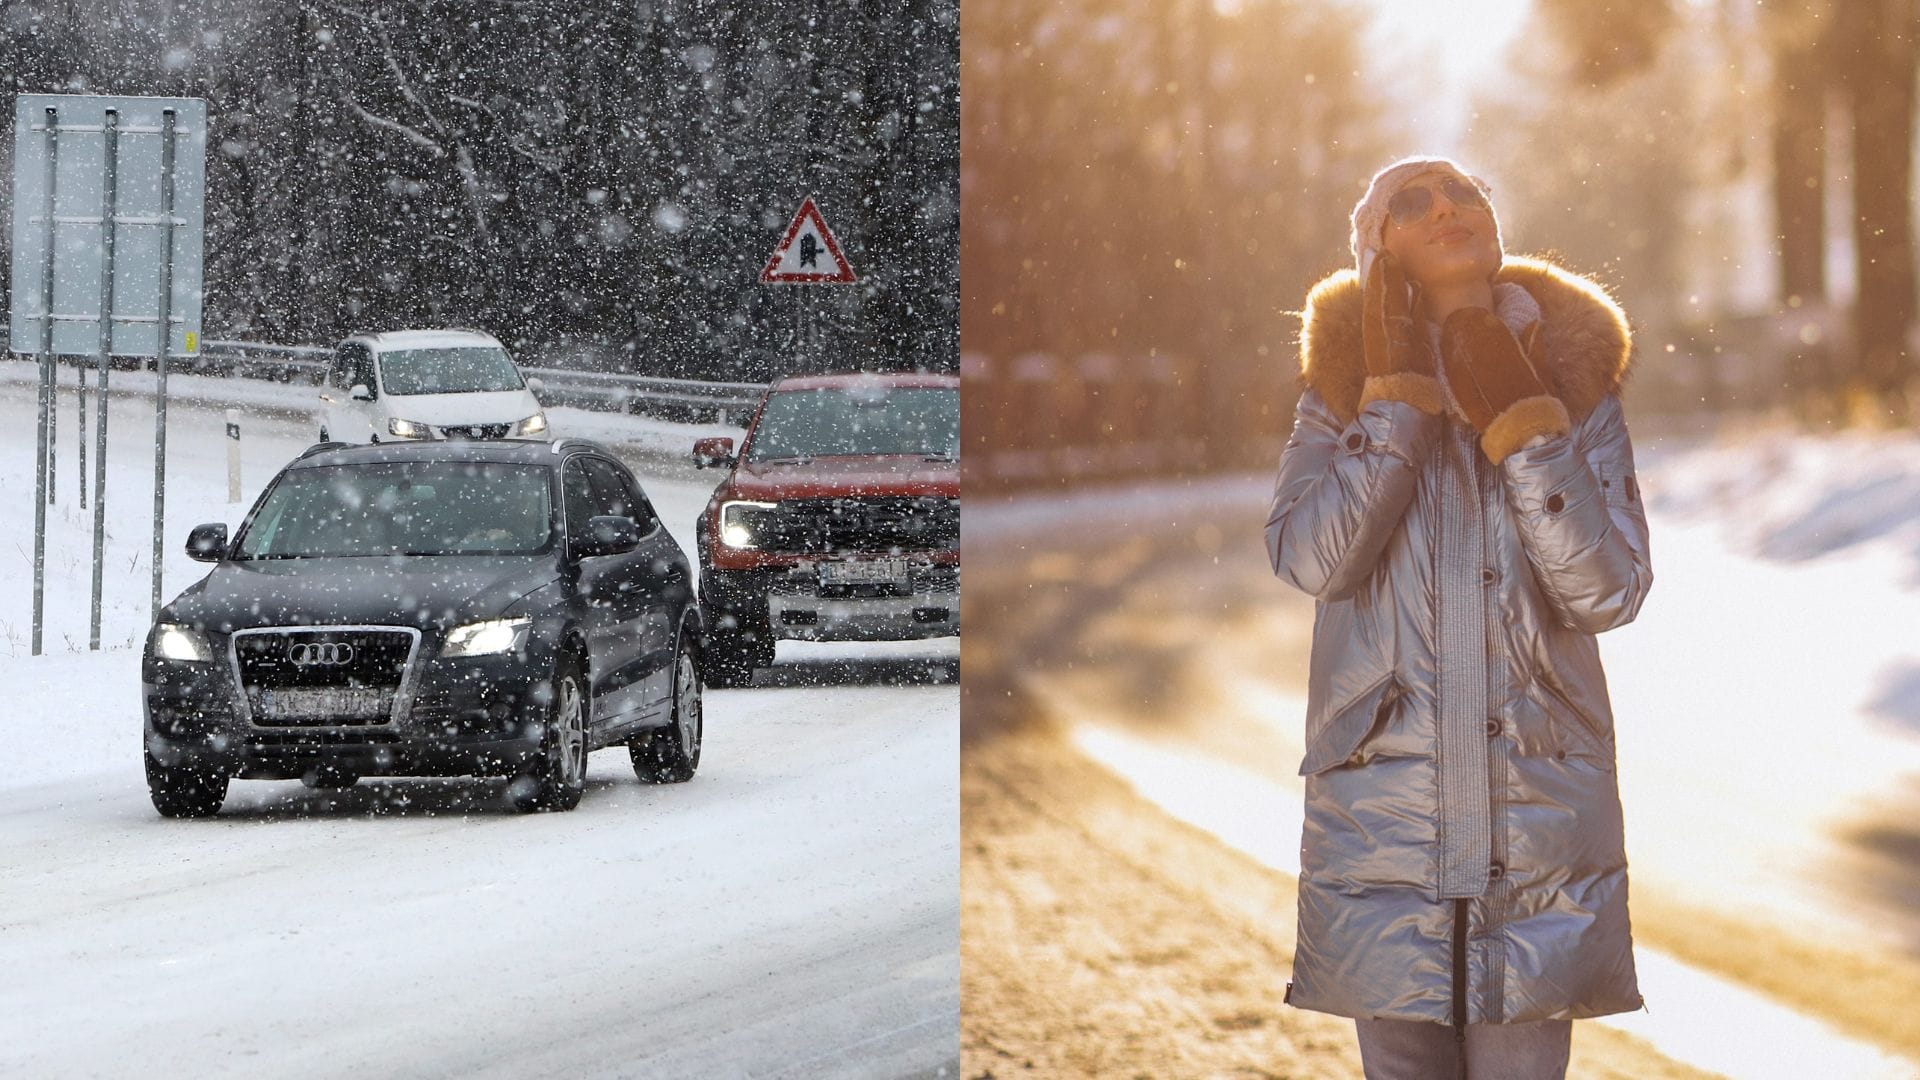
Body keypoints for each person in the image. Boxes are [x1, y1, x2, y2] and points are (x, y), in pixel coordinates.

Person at [1263, 156, 1653, 1079]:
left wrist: (1528, 428)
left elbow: (1609, 588)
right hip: (1381, 814)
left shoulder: (1575, 380)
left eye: (1464, 195)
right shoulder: (1340, 387)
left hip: (1538, 810)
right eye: (1411, 203)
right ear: (1379, 245)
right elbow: (1312, 557)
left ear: (1494, 225)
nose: (1445, 209)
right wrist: (1393, 405)